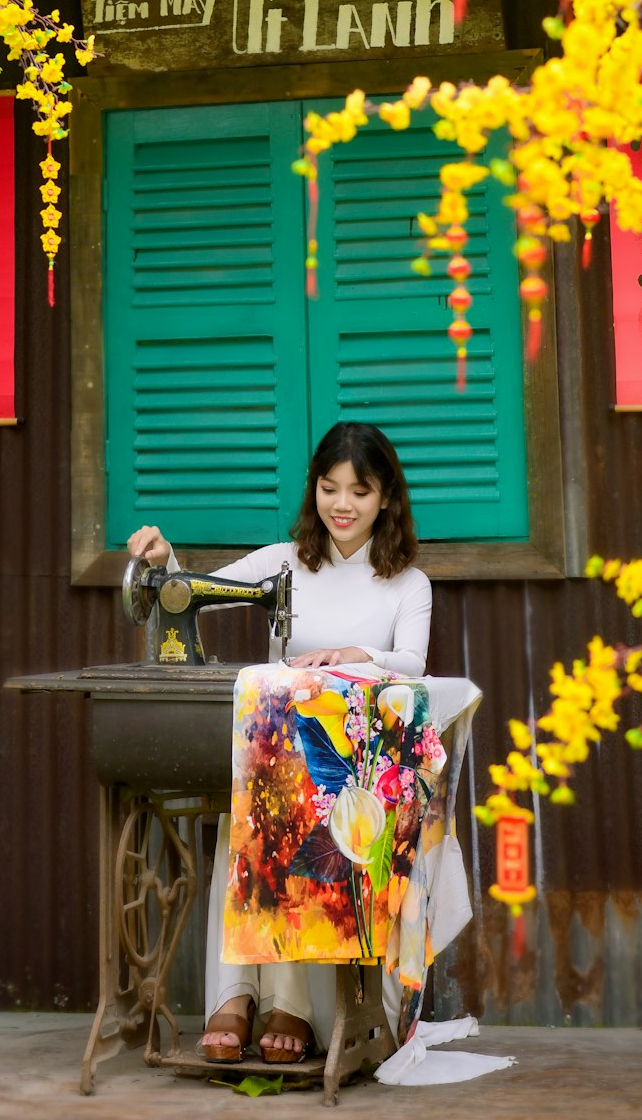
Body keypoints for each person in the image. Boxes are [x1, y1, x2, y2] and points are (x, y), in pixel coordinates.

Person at [127, 420, 433, 1065]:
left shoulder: (408, 583)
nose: (342, 505)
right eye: (329, 488)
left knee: (295, 818)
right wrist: (163, 563)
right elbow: (200, 596)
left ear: (387, 499)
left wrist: (358, 655)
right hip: (275, 763)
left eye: (360, 491)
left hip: (346, 775)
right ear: (313, 491)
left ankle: (289, 1002)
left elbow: (412, 664)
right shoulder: (280, 563)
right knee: (253, 818)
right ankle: (238, 994)